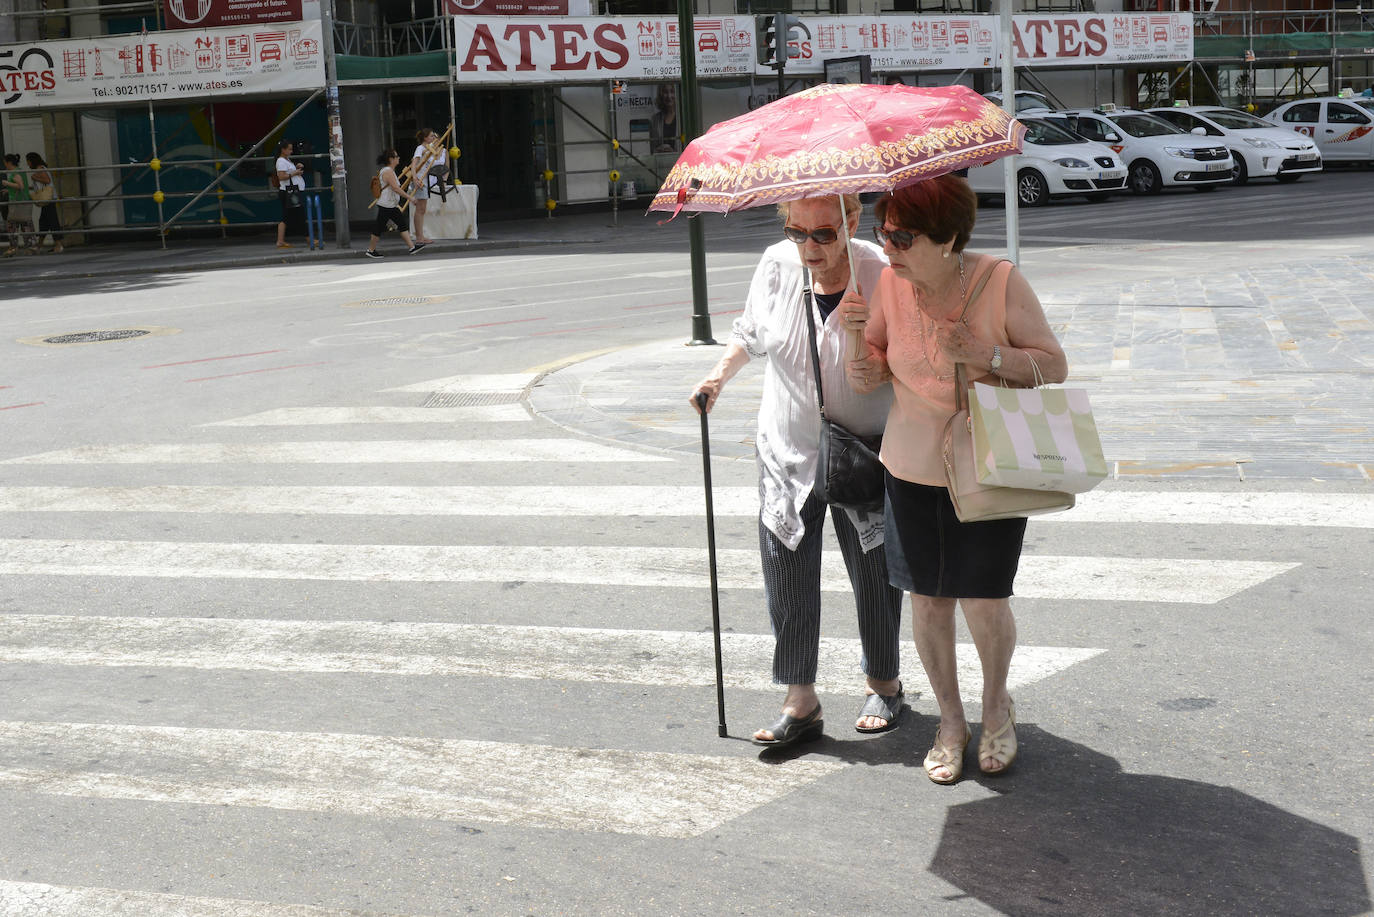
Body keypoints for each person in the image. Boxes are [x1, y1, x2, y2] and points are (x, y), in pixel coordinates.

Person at [844, 174, 1068, 784]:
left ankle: (996, 707)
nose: (886, 246)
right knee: (928, 600)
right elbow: (874, 374)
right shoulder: (890, 284)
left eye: (902, 235)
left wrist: (983, 353)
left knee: (984, 598)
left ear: (946, 240)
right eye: (881, 232)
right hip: (911, 464)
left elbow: (1053, 366)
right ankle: (951, 720)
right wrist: (855, 344)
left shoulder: (1000, 282)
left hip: (988, 462)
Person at [689, 195, 904, 748]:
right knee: (786, 570)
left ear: (852, 222)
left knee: (875, 573)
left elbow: (910, 362)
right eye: (796, 232)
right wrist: (717, 377)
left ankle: (884, 682)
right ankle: (799, 698)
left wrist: (873, 354)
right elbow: (749, 333)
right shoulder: (776, 264)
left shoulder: (882, 274)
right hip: (787, 449)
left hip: (864, 447)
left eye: (824, 234)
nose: (809, 247)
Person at [365, 149, 425, 259]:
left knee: (401, 224)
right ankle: (371, 250)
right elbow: (396, 188)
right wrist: (410, 198)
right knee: (379, 227)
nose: (398, 158)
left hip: (390, 204)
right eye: (396, 156)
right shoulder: (387, 171)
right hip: (386, 204)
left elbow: (396, 189)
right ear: (391, 159)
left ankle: (412, 247)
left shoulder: (389, 171)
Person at [26, 152, 63, 254]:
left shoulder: (40, 168)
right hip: (48, 200)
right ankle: (40, 245)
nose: (28, 164)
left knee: (52, 222)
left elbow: (46, 180)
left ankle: (58, 245)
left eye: (28, 161)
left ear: (32, 161)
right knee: (44, 222)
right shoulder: (41, 168)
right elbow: (42, 184)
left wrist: (35, 178)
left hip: (48, 199)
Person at [409, 128, 441, 244]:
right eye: (431, 136)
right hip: (419, 180)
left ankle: (420, 236)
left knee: (422, 209)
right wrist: (414, 178)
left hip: (424, 180)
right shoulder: (420, 148)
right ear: (425, 138)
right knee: (420, 209)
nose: (433, 138)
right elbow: (414, 163)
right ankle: (419, 237)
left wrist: (436, 145)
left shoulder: (428, 149)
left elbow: (436, 159)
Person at [274, 140, 306, 249]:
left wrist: (296, 168)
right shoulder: (281, 161)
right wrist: (295, 172)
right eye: (289, 149)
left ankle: (281, 241)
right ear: (283, 150)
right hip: (289, 193)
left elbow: (288, 173)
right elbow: (281, 177)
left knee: (294, 215)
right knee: (289, 216)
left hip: (291, 193)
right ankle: (280, 241)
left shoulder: (286, 160)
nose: (291, 151)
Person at [2, 153, 34, 257]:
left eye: (5, 163)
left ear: (9, 162)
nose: (4, 165)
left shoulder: (14, 172)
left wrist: (6, 183)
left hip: (17, 203)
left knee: (12, 225)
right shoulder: (19, 170)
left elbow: (20, 186)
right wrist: (8, 190)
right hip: (23, 202)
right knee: (25, 224)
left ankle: (13, 248)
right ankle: (30, 247)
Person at [649, 84, 679, 153]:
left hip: (681, 161)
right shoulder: (654, 119)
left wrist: (674, 151)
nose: (669, 96)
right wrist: (659, 149)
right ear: (661, 95)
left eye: (672, 91)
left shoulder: (683, 117)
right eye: (665, 92)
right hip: (661, 161)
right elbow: (651, 149)